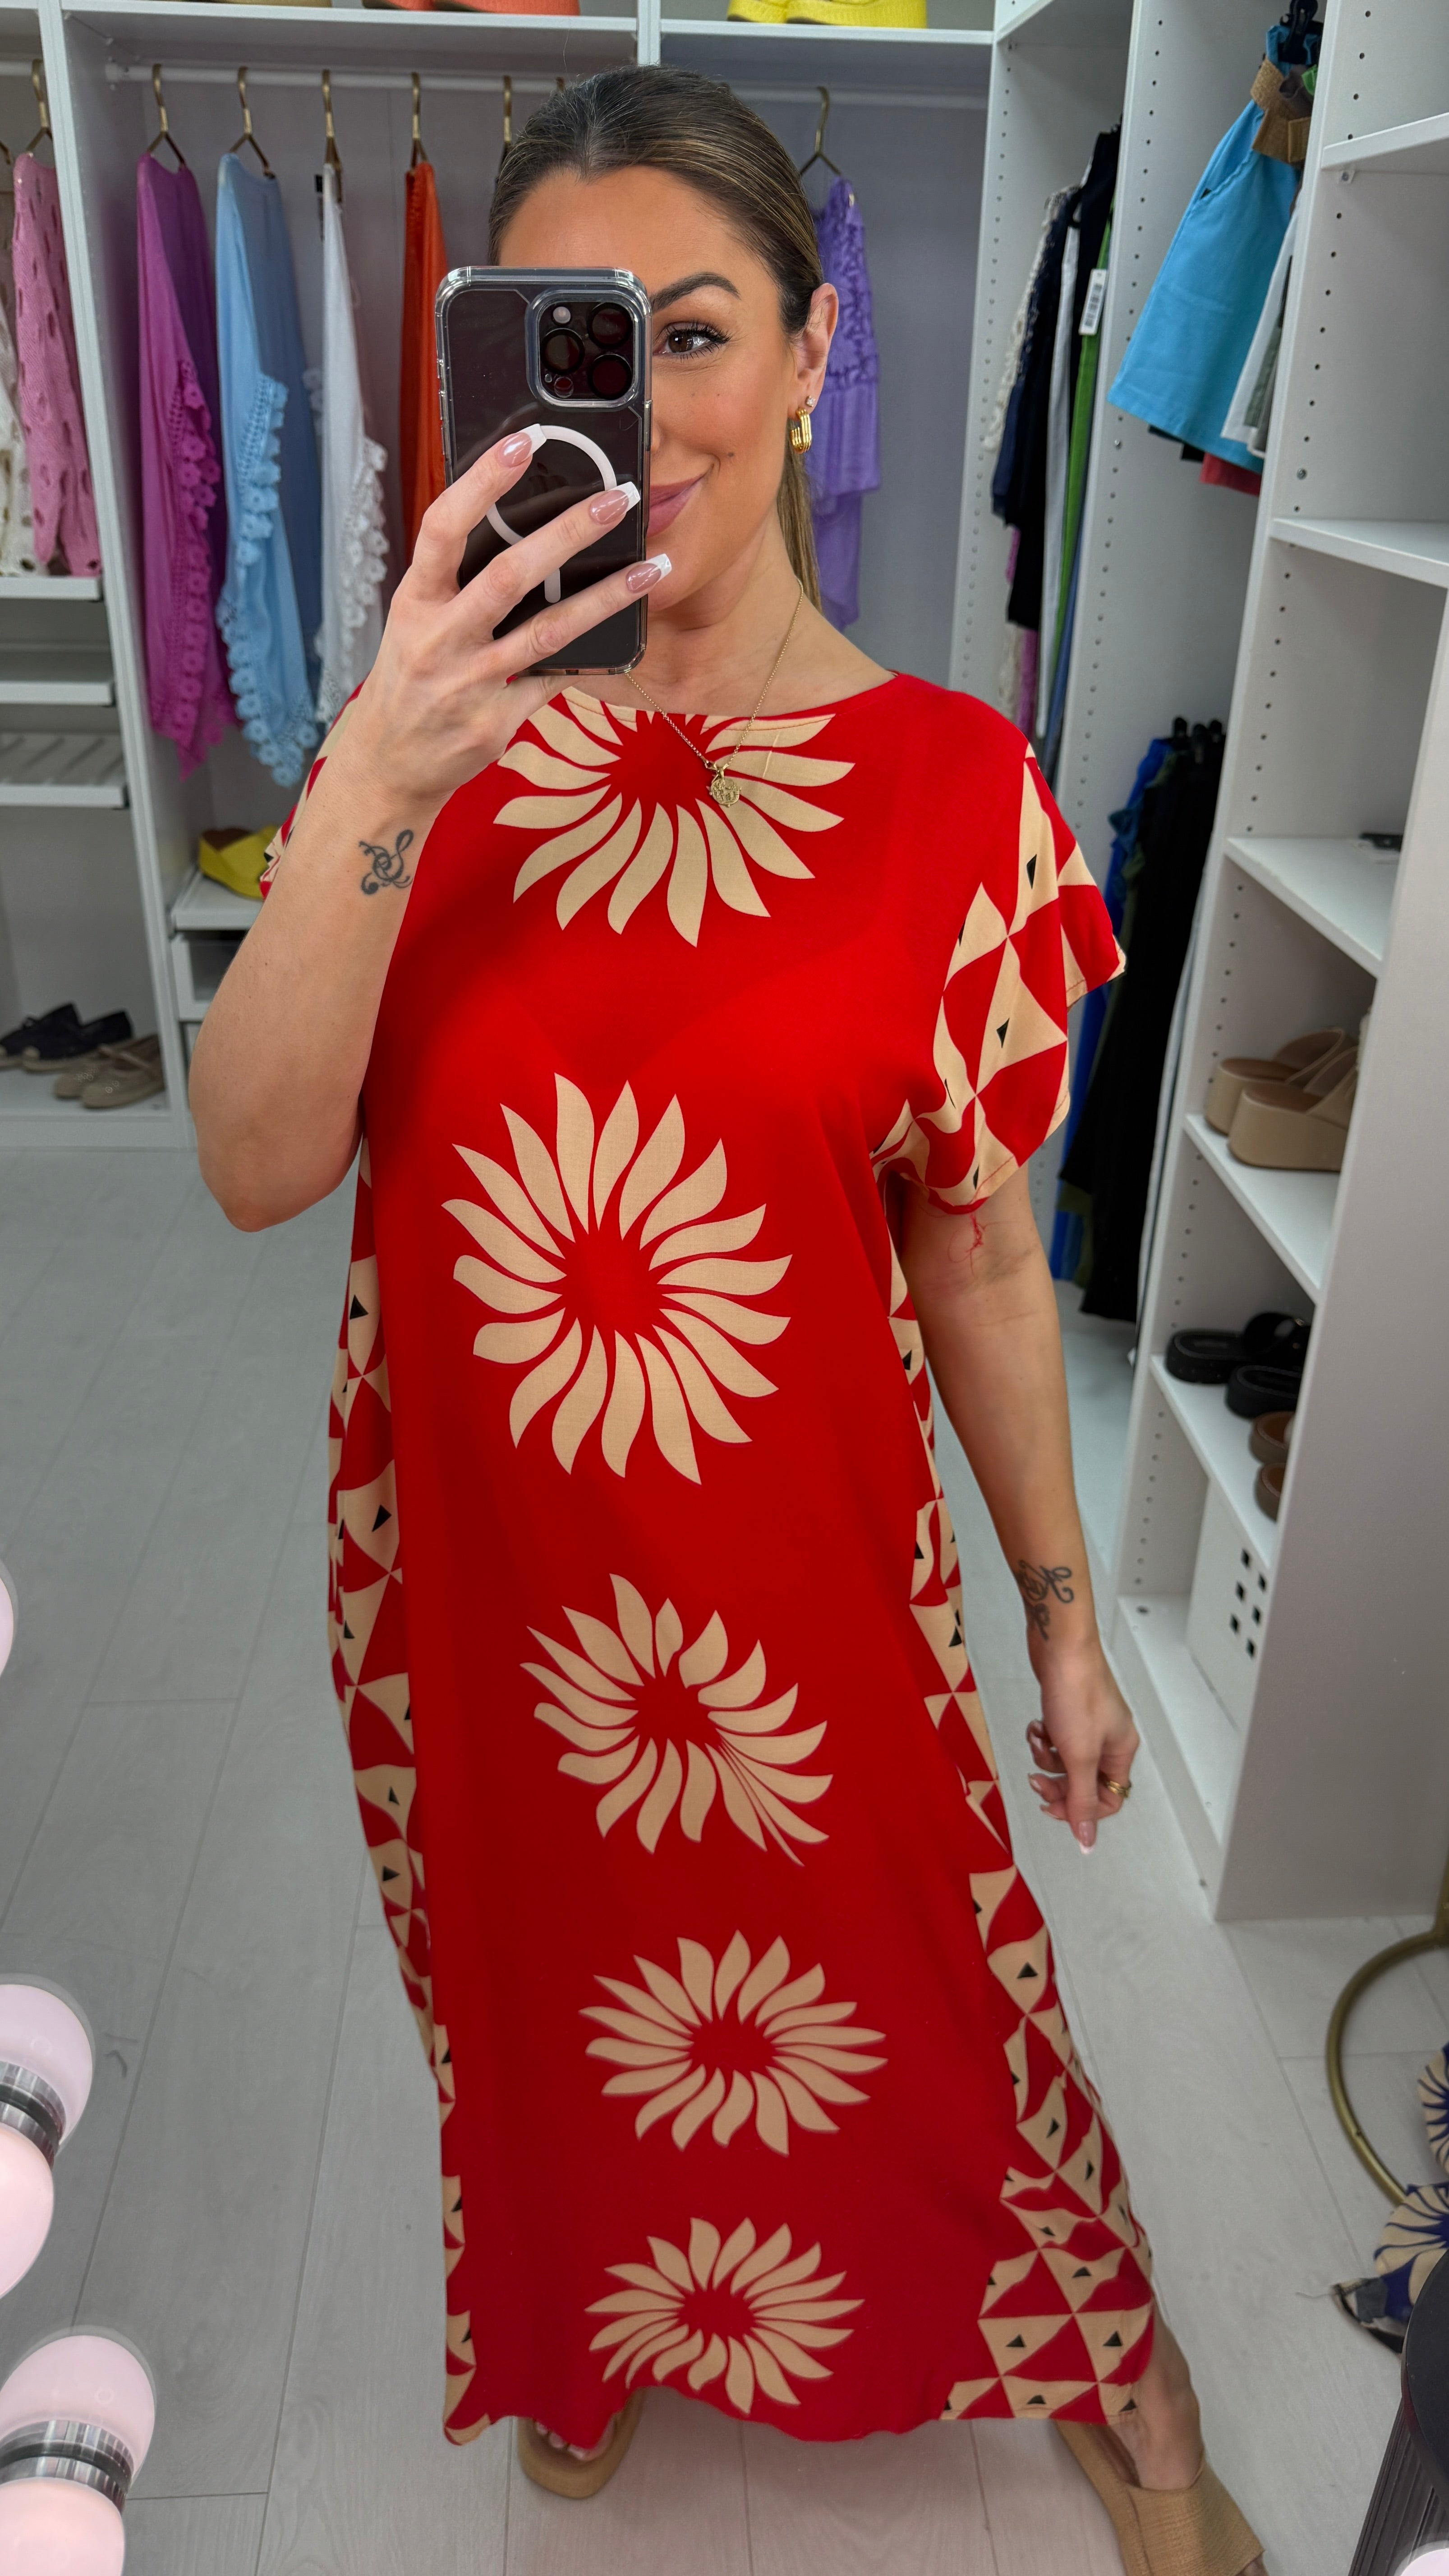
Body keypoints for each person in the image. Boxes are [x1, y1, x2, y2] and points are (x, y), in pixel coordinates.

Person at [190, 65, 1265, 2576]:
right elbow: (253, 1162)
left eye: (691, 331)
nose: (645, 406)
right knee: (536, 2006)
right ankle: (589, 2322)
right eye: (571, 339)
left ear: (808, 353)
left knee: (936, 1984)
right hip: (475, 1600)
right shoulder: (427, 760)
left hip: (806, 1610)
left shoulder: (950, 793)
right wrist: (389, 764)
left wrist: (1066, 1615)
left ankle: (1102, 2352)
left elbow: (975, 1248)